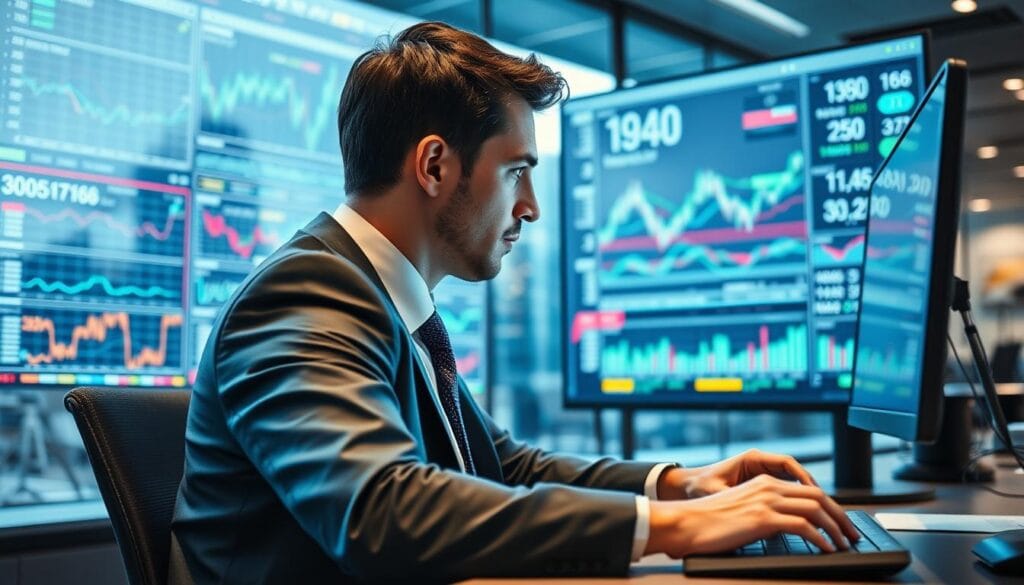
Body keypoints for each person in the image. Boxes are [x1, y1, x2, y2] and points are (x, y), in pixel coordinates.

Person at [169, 21, 858, 583]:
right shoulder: (305, 296)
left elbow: (503, 465)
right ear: (435, 165)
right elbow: (380, 513)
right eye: (517, 171)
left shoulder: (383, 301)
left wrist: (679, 484)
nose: (529, 206)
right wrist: (675, 529)